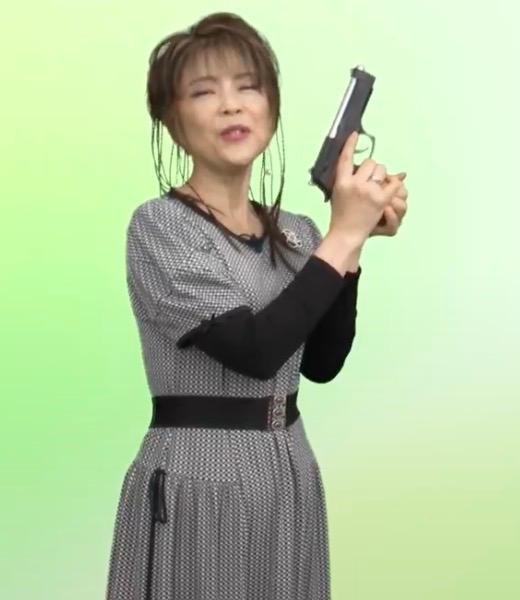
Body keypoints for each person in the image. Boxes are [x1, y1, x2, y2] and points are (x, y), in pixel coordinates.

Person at [105, 11, 408, 600]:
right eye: (203, 92)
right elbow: (255, 351)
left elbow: (321, 362)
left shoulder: (297, 233)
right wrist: (344, 233)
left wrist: (353, 241)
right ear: (171, 120)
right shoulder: (160, 226)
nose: (231, 105)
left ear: (271, 107)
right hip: (197, 480)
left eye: (248, 87)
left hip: (288, 473)